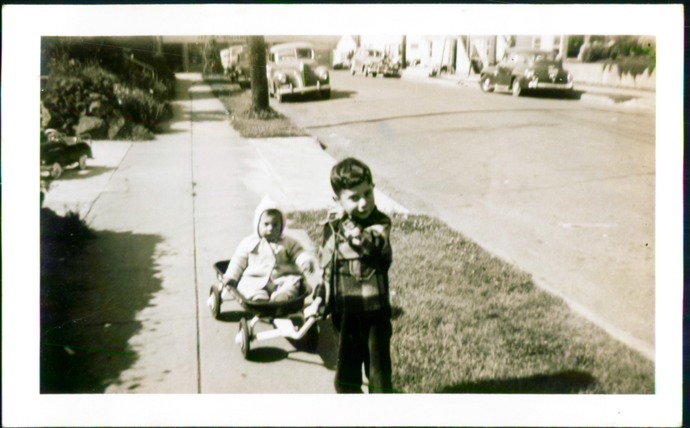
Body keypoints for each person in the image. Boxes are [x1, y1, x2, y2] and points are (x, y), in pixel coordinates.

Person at [316, 157, 394, 393]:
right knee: (345, 376)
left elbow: (368, 244)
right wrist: (320, 297)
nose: (364, 203)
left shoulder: (380, 223)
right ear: (337, 201)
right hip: (344, 312)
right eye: (354, 197)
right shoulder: (332, 227)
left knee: (378, 372)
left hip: (373, 313)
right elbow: (327, 266)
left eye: (368, 193)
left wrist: (346, 223)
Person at [223, 196, 314, 302]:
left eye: (275, 225)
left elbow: (298, 252)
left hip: (282, 279)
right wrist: (231, 276)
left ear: (282, 225)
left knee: (293, 284)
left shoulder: (287, 242)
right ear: (257, 224)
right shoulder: (249, 242)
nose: (270, 228)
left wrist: (305, 261)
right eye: (266, 224)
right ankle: (258, 298)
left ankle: (282, 297)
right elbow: (238, 261)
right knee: (245, 286)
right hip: (255, 279)